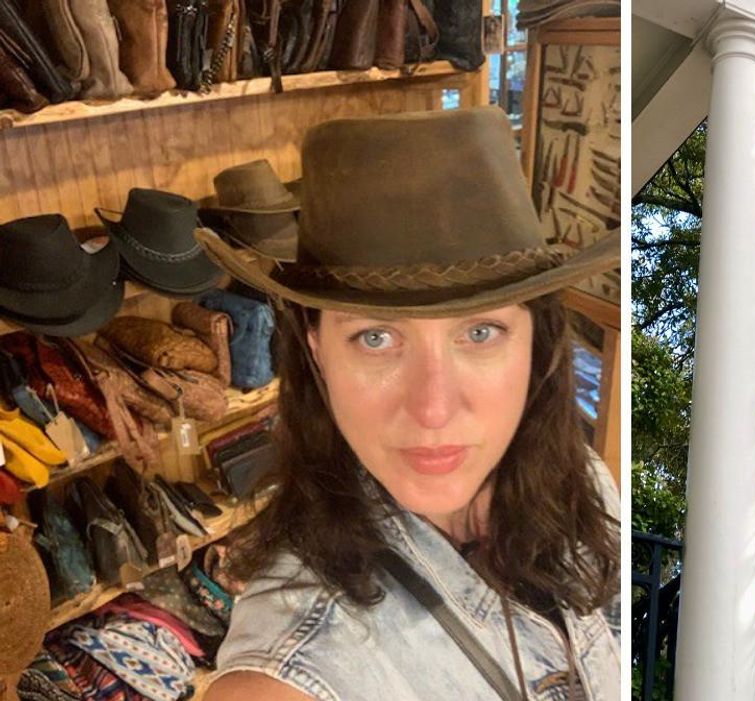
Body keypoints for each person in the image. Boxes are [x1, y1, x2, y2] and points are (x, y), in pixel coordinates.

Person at [197, 106, 622, 701]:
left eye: (479, 333)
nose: (433, 409)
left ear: (536, 344)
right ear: (317, 349)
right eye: (376, 338)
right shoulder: (295, 665)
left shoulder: (584, 484)